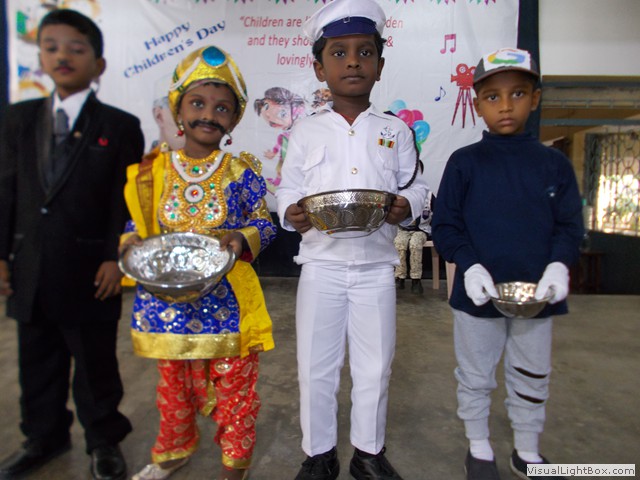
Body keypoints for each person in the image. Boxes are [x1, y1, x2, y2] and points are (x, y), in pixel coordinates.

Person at [275, 1, 428, 479]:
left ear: (380, 66)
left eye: (365, 52)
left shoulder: (395, 130)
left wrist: (407, 205)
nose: (353, 62)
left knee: (374, 367)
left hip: (376, 268)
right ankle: (319, 455)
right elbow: (288, 188)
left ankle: (368, 453)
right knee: (315, 367)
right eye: (339, 53)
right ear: (319, 68)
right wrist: (291, 212)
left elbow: (416, 185)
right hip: (320, 266)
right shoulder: (305, 130)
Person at [0, 9, 144, 480]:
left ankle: (104, 440)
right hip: (31, 264)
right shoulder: (18, 119)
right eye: (52, 47)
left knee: (94, 362)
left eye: (76, 48)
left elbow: (124, 201)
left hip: (90, 270)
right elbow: (7, 190)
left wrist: (115, 257)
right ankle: (43, 437)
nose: (63, 55)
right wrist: (2, 255)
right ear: (41, 57)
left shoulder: (119, 126)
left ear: (98, 64)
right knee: (36, 360)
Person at [121, 45, 276, 480]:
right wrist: (129, 243)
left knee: (236, 390)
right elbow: (136, 223)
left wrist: (241, 237)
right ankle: (172, 452)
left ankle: (233, 467)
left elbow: (264, 224)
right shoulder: (154, 170)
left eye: (222, 107)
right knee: (173, 386)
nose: (209, 114)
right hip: (168, 301)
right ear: (178, 109)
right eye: (198, 103)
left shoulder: (240, 171)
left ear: (233, 119)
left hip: (228, 304)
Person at [431, 47, 583, 480]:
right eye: (493, 96)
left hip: (537, 296)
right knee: (475, 374)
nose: (505, 105)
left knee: (532, 372)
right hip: (478, 294)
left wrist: (558, 266)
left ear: (535, 99)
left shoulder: (554, 165)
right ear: (477, 103)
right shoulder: (465, 163)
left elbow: (569, 226)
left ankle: (527, 449)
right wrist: (470, 265)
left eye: (517, 93)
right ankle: (478, 446)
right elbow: (446, 225)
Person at [253, 86, 306, 193]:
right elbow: (278, 145)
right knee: (281, 171)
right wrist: (273, 153)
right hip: (284, 159)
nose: (273, 119)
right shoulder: (283, 136)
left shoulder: (302, 133)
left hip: (298, 162)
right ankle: (278, 184)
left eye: (282, 114)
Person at [394, 166, 434, 294]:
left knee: (415, 244)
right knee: (399, 243)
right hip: (402, 229)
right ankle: (399, 277)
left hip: (421, 230)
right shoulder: (398, 194)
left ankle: (416, 280)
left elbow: (438, 214)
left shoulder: (428, 195)